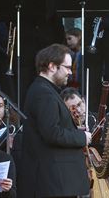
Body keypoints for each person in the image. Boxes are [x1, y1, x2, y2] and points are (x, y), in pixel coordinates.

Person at [19, 44, 90, 198]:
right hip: (51, 184)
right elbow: (52, 133)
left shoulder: (44, 90)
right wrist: (82, 137)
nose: (70, 73)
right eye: (67, 67)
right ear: (52, 66)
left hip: (53, 183)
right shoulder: (44, 93)